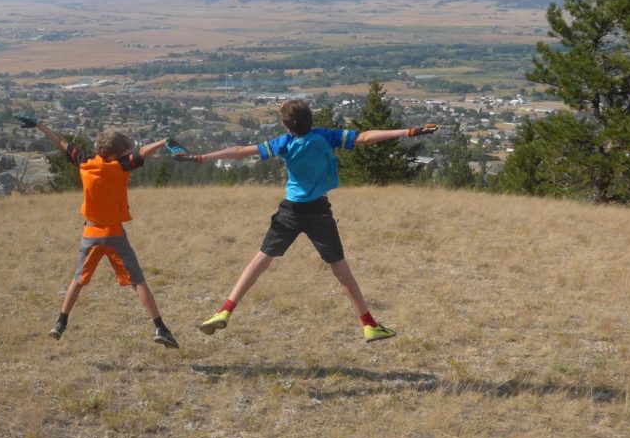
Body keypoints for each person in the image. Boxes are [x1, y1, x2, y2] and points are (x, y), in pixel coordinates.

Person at [175, 99, 437, 343]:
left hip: (290, 210)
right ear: (310, 119)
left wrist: (201, 157)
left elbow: (241, 151)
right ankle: (369, 325)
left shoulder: (284, 143)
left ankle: (225, 310)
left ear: (287, 125)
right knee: (341, 271)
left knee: (260, 260)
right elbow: (366, 138)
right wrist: (408, 132)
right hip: (318, 212)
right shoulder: (324, 136)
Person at [16, 115, 180, 349]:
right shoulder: (120, 166)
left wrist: (39, 126)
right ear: (115, 155)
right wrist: (164, 141)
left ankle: (61, 321)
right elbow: (142, 153)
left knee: (78, 279)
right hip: (114, 235)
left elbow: (60, 142)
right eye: (124, 153)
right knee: (138, 281)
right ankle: (160, 327)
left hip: (90, 234)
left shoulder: (84, 162)